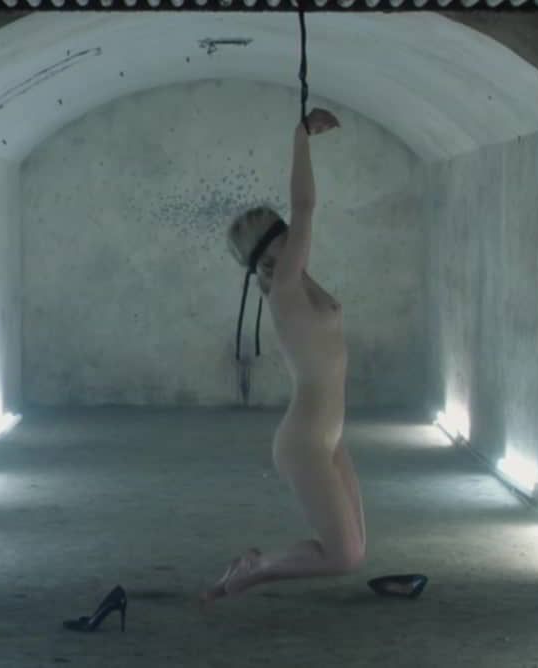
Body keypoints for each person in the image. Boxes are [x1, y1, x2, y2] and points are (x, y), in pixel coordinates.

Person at [200, 107, 367, 604]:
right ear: (274, 248)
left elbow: (302, 219)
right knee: (341, 557)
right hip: (305, 442)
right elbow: (306, 205)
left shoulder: (296, 281)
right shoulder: (285, 290)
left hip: (329, 435)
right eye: (287, 232)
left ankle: (255, 566)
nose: (299, 234)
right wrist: (301, 137)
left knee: (354, 551)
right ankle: (256, 569)